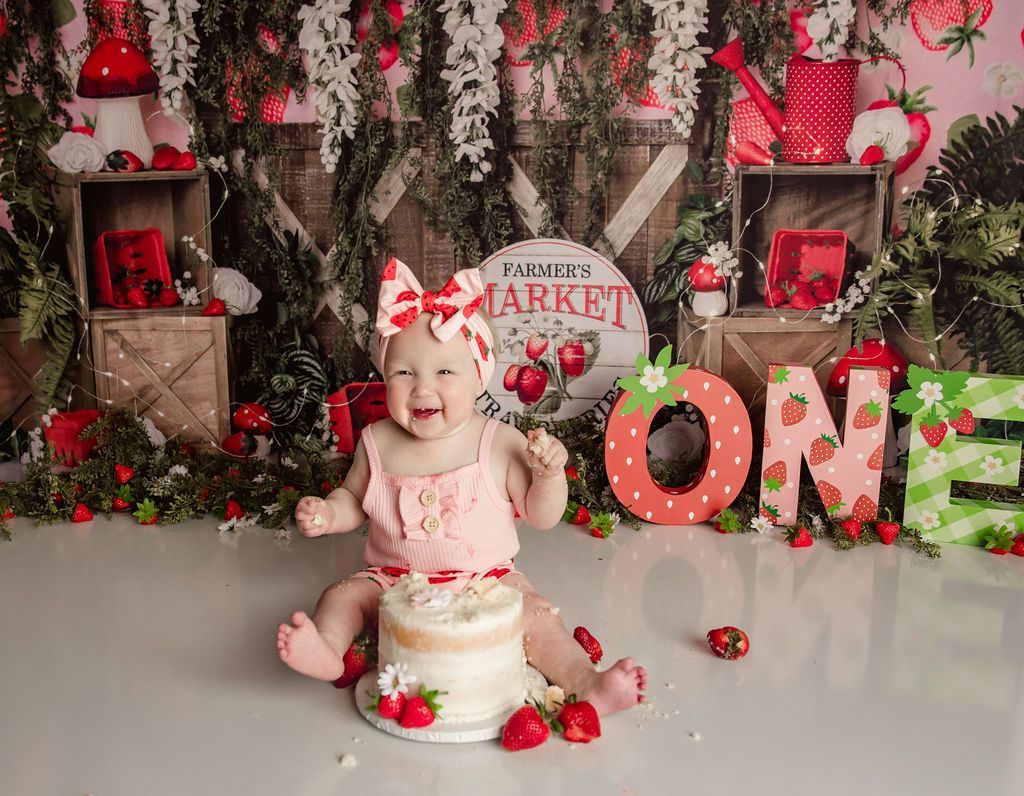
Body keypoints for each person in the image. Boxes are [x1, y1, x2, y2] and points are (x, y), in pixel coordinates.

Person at [276, 258, 647, 716]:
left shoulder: (499, 442)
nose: (421, 388)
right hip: (392, 584)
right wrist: (330, 514)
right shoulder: (378, 441)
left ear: (479, 376)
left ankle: (584, 682)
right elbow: (355, 499)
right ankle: (329, 651)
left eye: (445, 373)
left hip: (486, 582)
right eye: (404, 373)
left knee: (537, 615)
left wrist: (549, 477)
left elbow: (541, 515)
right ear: (385, 375)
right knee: (342, 596)